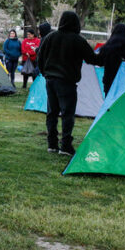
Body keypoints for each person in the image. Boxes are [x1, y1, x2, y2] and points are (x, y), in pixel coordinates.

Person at [37, 11, 97, 156]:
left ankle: (52, 144)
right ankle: (65, 146)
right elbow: (93, 59)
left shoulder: (50, 37)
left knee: (52, 112)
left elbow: (40, 56)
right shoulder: (78, 40)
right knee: (67, 114)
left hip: (50, 79)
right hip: (67, 82)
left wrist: (45, 73)